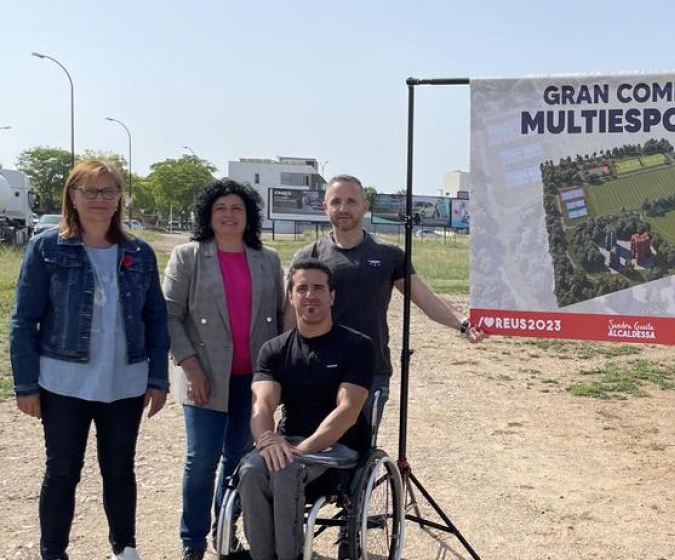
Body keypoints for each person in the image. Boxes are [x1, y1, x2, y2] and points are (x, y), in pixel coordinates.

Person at [9, 159, 170, 560]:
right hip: (63, 383)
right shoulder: (46, 248)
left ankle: (125, 547)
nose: (100, 199)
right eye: (90, 191)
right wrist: (26, 384)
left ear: (119, 199)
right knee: (62, 471)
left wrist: (158, 378)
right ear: (73, 197)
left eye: (109, 191)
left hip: (125, 382)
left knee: (119, 470)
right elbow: (23, 320)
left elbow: (156, 319)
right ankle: (53, 551)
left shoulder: (140, 253)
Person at [288, 174, 486, 414]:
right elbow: (290, 315)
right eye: (336, 202)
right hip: (315, 368)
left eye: (351, 201)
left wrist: (463, 324)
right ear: (324, 207)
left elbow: (424, 298)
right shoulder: (308, 256)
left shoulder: (388, 255)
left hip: (369, 370)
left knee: (360, 449)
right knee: (311, 448)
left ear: (365, 206)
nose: (343, 208)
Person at [163, 178, 286, 560]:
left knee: (237, 460)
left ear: (248, 216)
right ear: (208, 215)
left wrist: (279, 377)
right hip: (204, 377)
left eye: (237, 208)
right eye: (221, 208)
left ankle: (224, 533)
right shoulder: (189, 256)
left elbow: (281, 320)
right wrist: (190, 365)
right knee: (201, 460)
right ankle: (193, 540)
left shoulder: (268, 260)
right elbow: (170, 315)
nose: (229, 215)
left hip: (252, 382)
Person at [238, 259, 376, 560]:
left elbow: (348, 410)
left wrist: (303, 449)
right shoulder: (274, 349)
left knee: (286, 469)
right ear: (291, 296)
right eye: (302, 288)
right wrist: (267, 440)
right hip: (287, 443)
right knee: (249, 471)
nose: (310, 295)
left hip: (337, 448)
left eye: (318, 288)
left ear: (332, 296)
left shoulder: (358, 346)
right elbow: (262, 404)